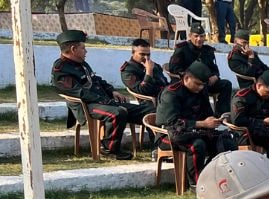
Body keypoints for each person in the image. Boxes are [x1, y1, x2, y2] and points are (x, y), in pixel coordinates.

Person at [52, 30, 152, 161]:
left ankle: (158, 146)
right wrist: (104, 100)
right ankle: (109, 149)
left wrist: (111, 91)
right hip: (87, 105)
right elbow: (79, 92)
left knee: (150, 110)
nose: (86, 51)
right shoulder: (61, 69)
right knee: (117, 113)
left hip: (103, 101)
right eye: (83, 48)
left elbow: (96, 79)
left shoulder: (82, 63)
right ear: (73, 49)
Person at [157, 61, 236, 187]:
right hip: (170, 135)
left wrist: (216, 120)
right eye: (197, 84)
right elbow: (172, 122)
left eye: (202, 85)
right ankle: (197, 184)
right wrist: (202, 123)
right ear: (187, 78)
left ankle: (212, 177)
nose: (200, 88)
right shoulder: (171, 93)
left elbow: (206, 113)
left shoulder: (201, 91)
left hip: (196, 132)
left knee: (226, 142)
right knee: (197, 145)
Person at [168, 23, 233, 115]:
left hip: (208, 81)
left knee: (226, 84)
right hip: (189, 83)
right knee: (202, 86)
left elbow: (214, 68)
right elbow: (173, 68)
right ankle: (206, 115)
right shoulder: (182, 49)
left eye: (202, 36)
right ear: (190, 36)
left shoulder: (208, 50)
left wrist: (215, 76)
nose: (199, 39)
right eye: (196, 36)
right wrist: (189, 77)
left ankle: (222, 114)